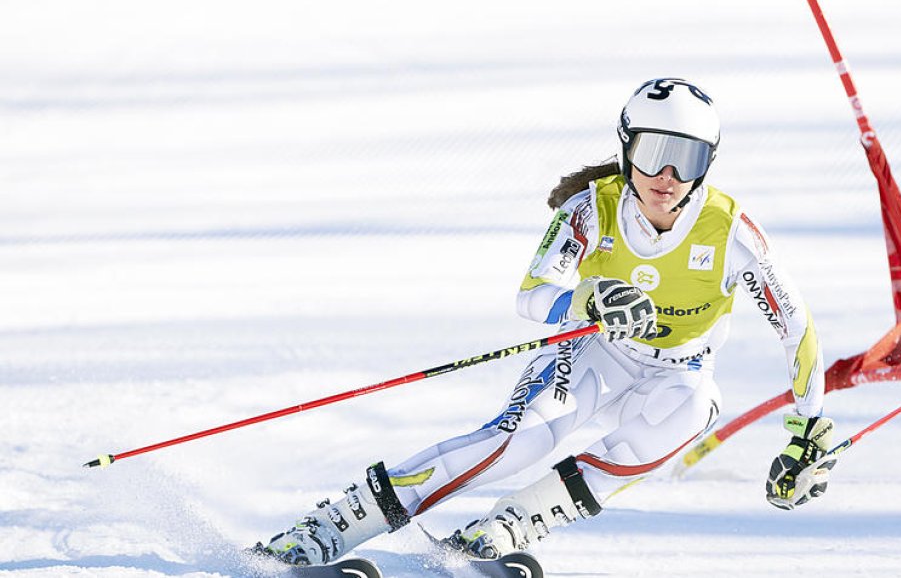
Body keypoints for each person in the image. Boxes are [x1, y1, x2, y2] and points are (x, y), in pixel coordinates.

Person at [254, 78, 835, 566]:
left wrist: (809, 427)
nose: (667, 175)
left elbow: (796, 325)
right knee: (519, 442)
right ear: (627, 148)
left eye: (687, 159)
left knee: (692, 411)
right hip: (594, 353)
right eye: (654, 152)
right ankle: (330, 527)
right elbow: (533, 295)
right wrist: (586, 300)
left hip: (676, 371)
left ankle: (504, 529)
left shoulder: (730, 233)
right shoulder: (590, 209)